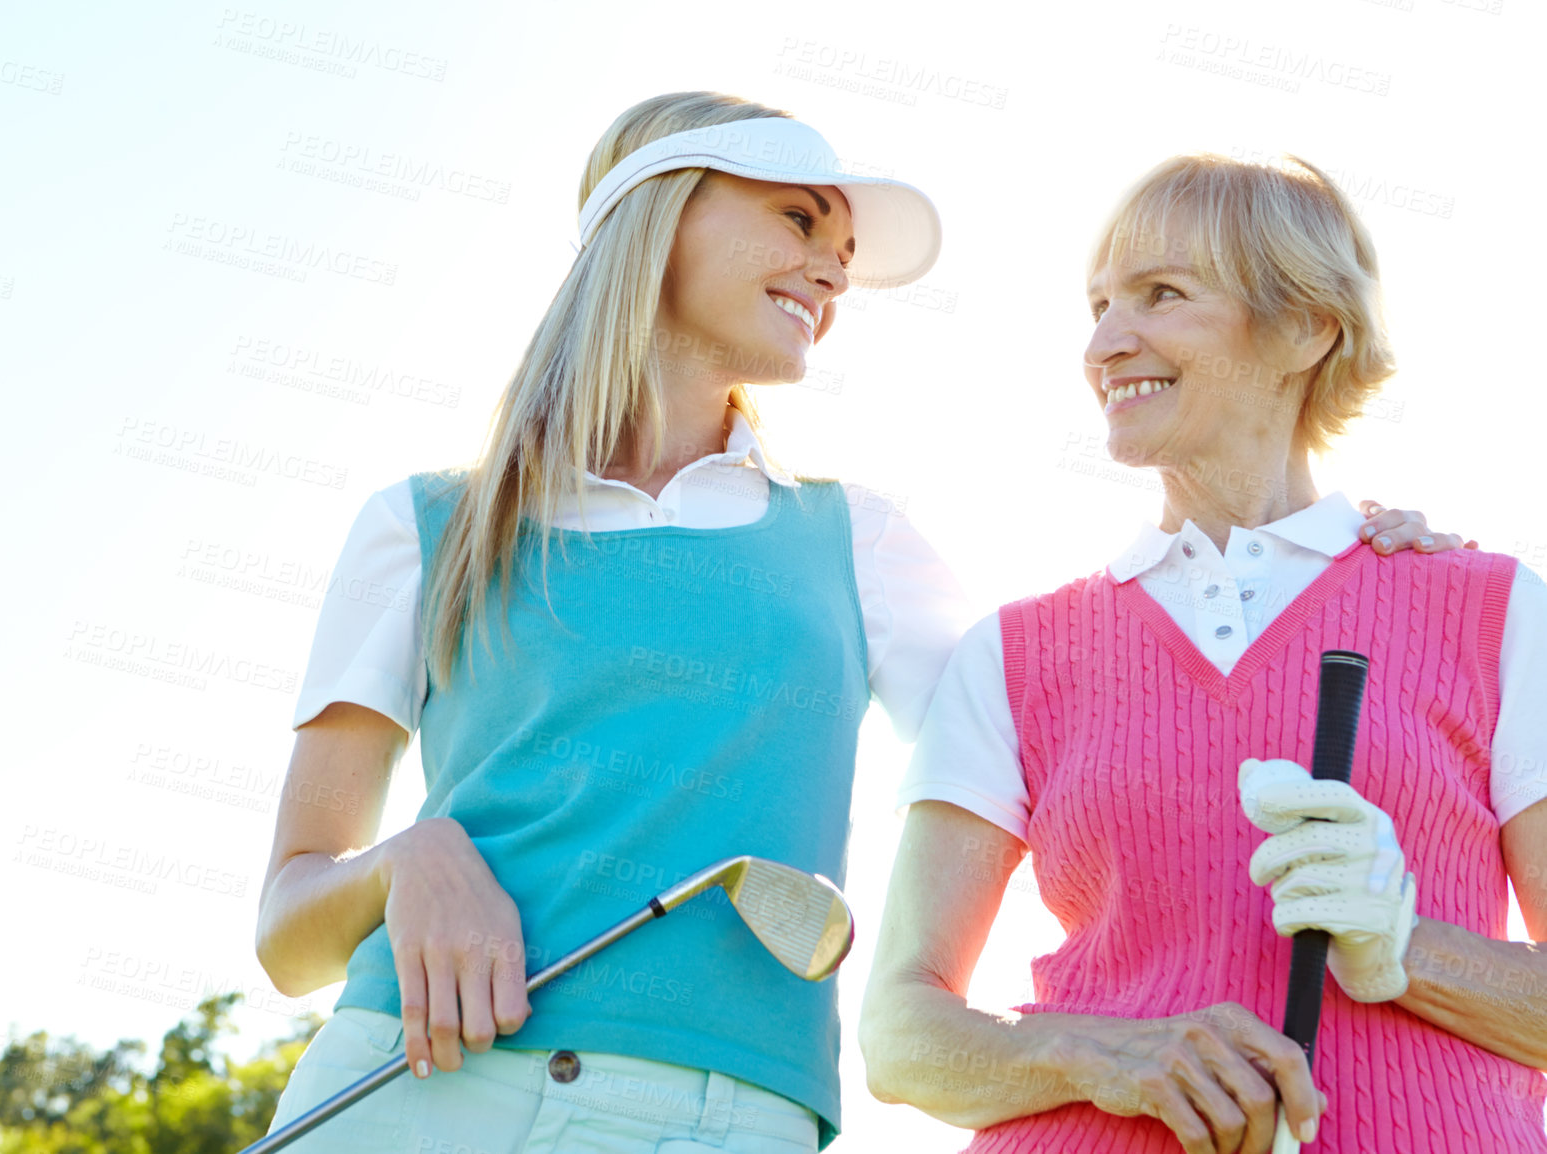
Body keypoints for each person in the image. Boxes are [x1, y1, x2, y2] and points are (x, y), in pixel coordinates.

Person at [251, 91, 973, 1153]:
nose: (832, 272)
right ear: (660, 211)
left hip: (722, 1115)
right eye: (800, 219)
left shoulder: (859, 541)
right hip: (413, 1086)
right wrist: (410, 857)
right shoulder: (423, 525)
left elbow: (1042, 765)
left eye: (847, 252)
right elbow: (287, 937)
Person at [859, 152, 1547, 1154]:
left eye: (1160, 294)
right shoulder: (1013, 652)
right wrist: (1104, 1054)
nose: (1103, 341)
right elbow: (899, 1032)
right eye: (1097, 304)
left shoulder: (1493, 613)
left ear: (1306, 327)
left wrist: (1404, 944)